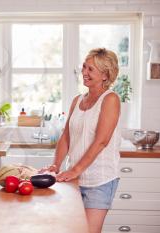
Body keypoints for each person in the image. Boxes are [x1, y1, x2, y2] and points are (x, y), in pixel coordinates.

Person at [40, 48, 121, 233]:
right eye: (84, 67)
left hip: (99, 180)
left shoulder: (110, 99)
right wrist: (56, 165)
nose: (84, 73)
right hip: (73, 180)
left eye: (91, 69)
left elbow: (101, 141)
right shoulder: (77, 100)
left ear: (105, 74)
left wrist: (75, 170)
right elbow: (66, 136)